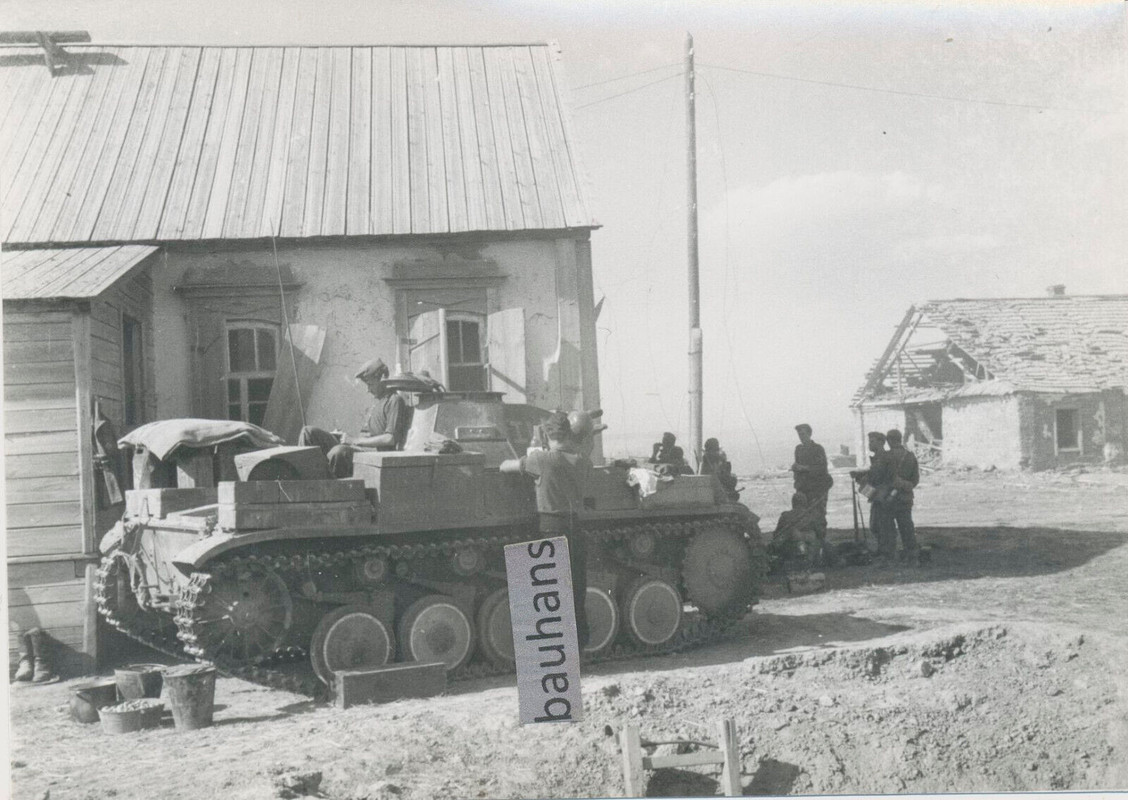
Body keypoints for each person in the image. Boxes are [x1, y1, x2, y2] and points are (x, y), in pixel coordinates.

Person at [500, 411, 593, 648]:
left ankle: (554, 650)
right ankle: (579, 648)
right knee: (576, 589)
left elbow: (504, 466)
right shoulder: (583, 461)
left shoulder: (541, 459)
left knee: (549, 591)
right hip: (575, 526)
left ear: (547, 434)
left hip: (550, 527)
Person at [299, 358, 411, 478]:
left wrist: (354, 441)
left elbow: (390, 438)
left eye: (370, 384)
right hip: (361, 448)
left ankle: (330, 492)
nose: (368, 390)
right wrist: (343, 437)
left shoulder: (394, 401)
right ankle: (305, 484)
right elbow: (365, 436)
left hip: (376, 454)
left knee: (338, 452)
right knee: (308, 433)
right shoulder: (376, 403)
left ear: (382, 379)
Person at [852, 431, 892, 560]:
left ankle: (886, 552)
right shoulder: (878, 457)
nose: (869, 444)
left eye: (872, 441)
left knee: (882, 525)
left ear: (881, 442)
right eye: (869, 441)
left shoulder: (883, 457)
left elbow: (878, 476)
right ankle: (882, 550)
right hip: (877, 495)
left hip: (882, 495)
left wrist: (862, 479)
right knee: (875, 525)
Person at [791, 424, 833, 541]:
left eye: (803, 434)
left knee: (818, 516)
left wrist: (803, 468)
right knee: (802, 516)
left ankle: (820, 543)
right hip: (803, 488)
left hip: (817, 489)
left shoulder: (817, 449)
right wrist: (796, 469)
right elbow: (797, 466)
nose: (801, 436)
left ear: (809, 434)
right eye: (799, 434)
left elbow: (822, 468)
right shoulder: (798, 449)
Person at [885, 429, 921, 566]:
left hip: (888, 499)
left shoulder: (886, 456)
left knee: (888, 529)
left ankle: (890, 558)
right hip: (905, 498)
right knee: (907, 527)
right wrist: (904, 485)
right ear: (900, 439)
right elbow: (915, 480)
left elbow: (880, 478)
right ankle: (912, 556)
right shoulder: (910, 456)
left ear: (889, 440)